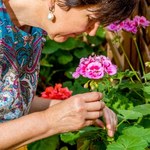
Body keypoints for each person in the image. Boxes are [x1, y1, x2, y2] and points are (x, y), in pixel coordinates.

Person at [0, 0, 136, 149]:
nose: (92, 32)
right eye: (90, 19)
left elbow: (11, 104)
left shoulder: (35, 30)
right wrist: (49, 121)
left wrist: (84, 110)